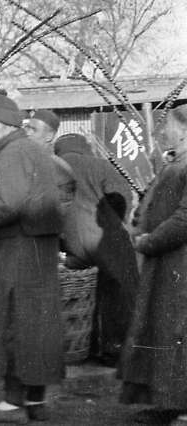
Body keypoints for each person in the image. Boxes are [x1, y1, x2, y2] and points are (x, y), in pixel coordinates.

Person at [0, 92, 64, 423]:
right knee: (36, 325)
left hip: (18, 248)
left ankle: (12, 404)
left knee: (14, 322)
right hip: (39, 248)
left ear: (4, 125)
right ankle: (35, 401)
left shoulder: (13, 152)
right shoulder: (34, 150)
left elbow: (10, 205)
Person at [119, 105, 187, 425]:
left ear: (184, 130)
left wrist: (148, 241)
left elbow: (184, 220)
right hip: (170, 264)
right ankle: (170, 402)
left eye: (168, 126)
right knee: (165, 333)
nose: (163, 132)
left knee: (178, 333)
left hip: (179, 265)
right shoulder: (177, 163)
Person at [54, 133, 138, 366]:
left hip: (73, 245)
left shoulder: (53, 169)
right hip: (106, 240)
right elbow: (123, 196)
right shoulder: (100, 165)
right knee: (120, 292)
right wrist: (117, 223)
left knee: (83, 294)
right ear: (85, 147)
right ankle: (115, 351)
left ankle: (86, 346)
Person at [23, 109, 76, 218]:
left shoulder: (59, 169)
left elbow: (63, 211)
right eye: (27, 128)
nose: (27, 133)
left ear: (49, 136)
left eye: (34, 130)